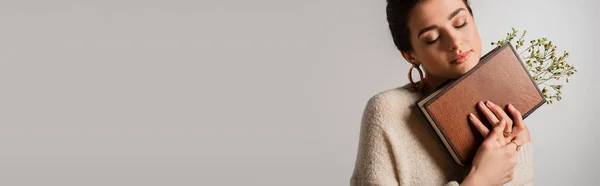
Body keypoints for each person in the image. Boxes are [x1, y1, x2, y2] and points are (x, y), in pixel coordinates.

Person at [350, 0, 534, 185]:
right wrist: (479, 180)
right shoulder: (388, 111)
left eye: (460, 23)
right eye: (433, 38)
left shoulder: (503, 102)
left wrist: (519, 155)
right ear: (410, 55)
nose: (455, 42)